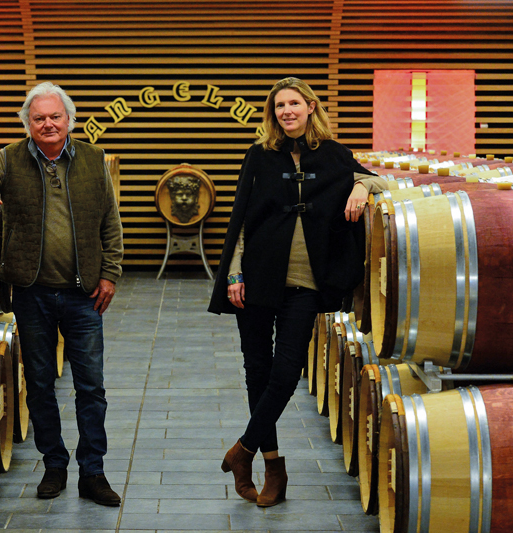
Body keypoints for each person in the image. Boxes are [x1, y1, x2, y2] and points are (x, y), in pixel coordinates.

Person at [207, 77, 386, 507]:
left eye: (293, 103)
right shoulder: (259, 156)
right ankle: (272, 466)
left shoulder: (336, 155)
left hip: (308, 283)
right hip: (256, 277)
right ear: (273, 113)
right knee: (257, 370)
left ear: (309, 107)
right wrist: (233, 274)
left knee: (287, 370)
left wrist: (361, 186)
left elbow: (382, 181)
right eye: (279, 105)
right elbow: (241, 220)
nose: (286, 111)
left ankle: (242, 451)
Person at [0, 81, 124, 506]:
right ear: (29, 123)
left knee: (92, 387)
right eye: (39, 118)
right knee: (41, 386)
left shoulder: (92, 158)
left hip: (83, 294)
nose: (48, 124)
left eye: (55, 117)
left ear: (69, 120)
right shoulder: (11, 158)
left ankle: (94, 472)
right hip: (31, 293)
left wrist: (110, 274)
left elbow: (109, 220)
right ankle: (54, 466)